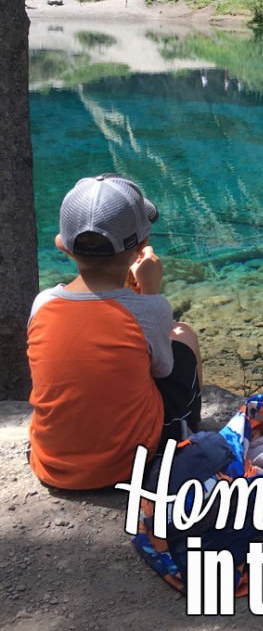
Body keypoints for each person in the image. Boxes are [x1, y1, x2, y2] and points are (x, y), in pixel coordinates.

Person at [27, 174, 202, 490]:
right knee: (184, 335)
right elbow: (162, 370)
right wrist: (149, 292)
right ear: (142, 247)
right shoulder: (150, 310)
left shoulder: (43, 304)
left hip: (51, 464)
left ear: (62, 246)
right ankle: (188, 430)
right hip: (128, 467)